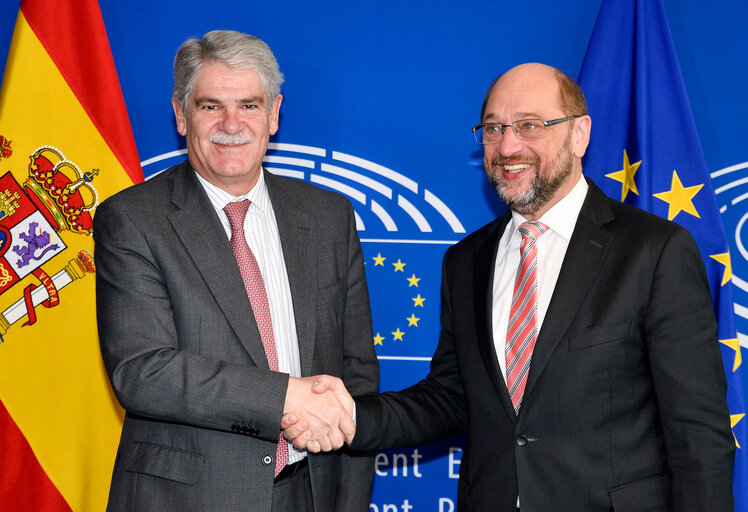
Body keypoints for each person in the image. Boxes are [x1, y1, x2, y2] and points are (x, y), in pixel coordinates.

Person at [283, 63, 735, 510]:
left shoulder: (654, 251)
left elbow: (697, 433)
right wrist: (351, 417)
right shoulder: (466, 261)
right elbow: (450, 398)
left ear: (579, 134)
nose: (507, 145)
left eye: (529, 125)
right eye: (494, 129)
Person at [94, 30, 378, 512]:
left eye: (249, 105)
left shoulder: (328, 215)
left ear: (274, 112)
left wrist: (349, 497)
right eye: (210, 107)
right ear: (181, 116)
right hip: (188, 499)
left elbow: (356, 372)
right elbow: (143, 371)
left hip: (312, 492)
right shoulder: (132, 220)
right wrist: (287, 396)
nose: (232, 124)